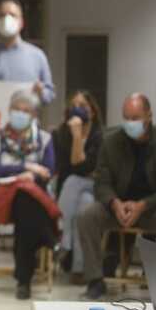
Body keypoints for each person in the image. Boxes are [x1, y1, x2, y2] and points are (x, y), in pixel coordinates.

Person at [78, 93, 156, 300]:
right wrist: (114, 203)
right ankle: (95, 281)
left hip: (151, 209)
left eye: (135, 118)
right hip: (118, 206)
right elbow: (101, 182)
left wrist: (143, 205)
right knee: (88, 216)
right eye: (126, 118)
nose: (130, 123)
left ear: (149, 115)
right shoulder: (111, 141)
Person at [0, 89, 57, 300]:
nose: (20, 114)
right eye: (17, 109)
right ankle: (47, 237)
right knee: (27, 203)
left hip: (31, 198)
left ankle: (23, 280)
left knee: (26, 203)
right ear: (9, 110)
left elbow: (48, 171)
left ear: (33, 115)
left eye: (26, 110)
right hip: (2, 197)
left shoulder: (44, 139)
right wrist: (27, 168)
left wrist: (28, 177)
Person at [54, 90, 105, 279]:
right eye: (74, 105)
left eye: (82, 106)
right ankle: (78, 268)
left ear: (92, 111)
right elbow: (67, 167)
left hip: (94, 186)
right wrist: (74, 136)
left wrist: (78, 137)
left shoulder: (100, 135)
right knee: (83, 206)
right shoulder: (61, 133)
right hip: (72, 192)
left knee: (74, 181)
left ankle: (64, 242)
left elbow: (82, 167)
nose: (78, 109)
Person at [0, 0, 55, 104]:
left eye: (12, 15)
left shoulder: (37, 56)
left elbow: (49, 94)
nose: (7, 19)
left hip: (28, 118)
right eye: (2, 15)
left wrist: (41, 92)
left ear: (21, 23)